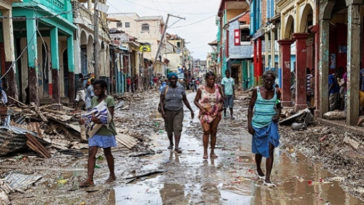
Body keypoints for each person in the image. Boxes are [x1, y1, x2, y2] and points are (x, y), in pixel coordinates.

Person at [80, 80, 117, 187]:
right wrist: (85, 119)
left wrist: (99, 120)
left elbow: (110, 117)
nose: (95, 91)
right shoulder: (94, 99)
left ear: (104, 89)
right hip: (95, 130)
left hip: (106, 130)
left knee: (107, 152)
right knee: (91, 153)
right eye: (94, 89)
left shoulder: (109, 99)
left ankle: (112, 174)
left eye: (98, 89)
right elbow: (91, 113)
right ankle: (90, 179)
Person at [248, 70, 281, 187]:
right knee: (259, 151)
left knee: (270, 149)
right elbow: (250, 108)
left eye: (271, 80)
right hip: (257, 125)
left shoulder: (277, 92)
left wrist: (277, 114)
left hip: (270, 124)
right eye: (266, 80)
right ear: (263, 80)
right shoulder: (256, 91)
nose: (269, 82)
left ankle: (267, 178)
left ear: (274, 81)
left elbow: (278, 106)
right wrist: (249, 125)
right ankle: (258, 168)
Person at [160, 73, 194, 153]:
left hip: (178, 111)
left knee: (177, 128)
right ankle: (171, 143)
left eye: (175, 79)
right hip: (168, 112)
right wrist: (162, 111)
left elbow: (185, 100)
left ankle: (177, 146)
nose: (173, 80)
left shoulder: (181, 88)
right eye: (171, 79)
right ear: (168, 80)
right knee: (169, 129)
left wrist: (191, 110)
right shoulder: (165, 89)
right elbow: (161, 101)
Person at [194, 72, 224, 159]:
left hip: (216, 113)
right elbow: (195, 101)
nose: (212, 81)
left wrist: (221, 106)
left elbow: (222, 99)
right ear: (206, 80)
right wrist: (201, 108)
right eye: (210, 79)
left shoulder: (218, 88)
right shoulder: (201, 89)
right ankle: (205, 152)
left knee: (214, 132)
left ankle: (212, 151)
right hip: (205, 113)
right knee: (206, 132)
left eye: (213, 79)